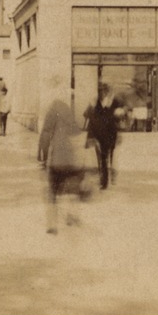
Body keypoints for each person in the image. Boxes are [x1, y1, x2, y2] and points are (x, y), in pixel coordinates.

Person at [37, 96, 87, 234]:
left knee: (53, 193)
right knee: (72, 190)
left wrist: (42, 157)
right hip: (71, 161)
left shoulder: (51, 115)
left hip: (57, 161)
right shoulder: (70, 118)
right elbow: (78, 138)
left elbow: (45, 137)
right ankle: (72, 215)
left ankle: (52, 225)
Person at [85, 85, 121, 190]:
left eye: (104, 92)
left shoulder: (113, 103)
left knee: (109, 158)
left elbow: (116, 121)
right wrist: (90, 136)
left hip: (110, 135)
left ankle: (109, 176)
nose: (102, 94)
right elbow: (90, 119)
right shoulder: (95, 104)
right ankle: (104, 181)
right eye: (100, 92)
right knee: (103, 159)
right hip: (99, 136)